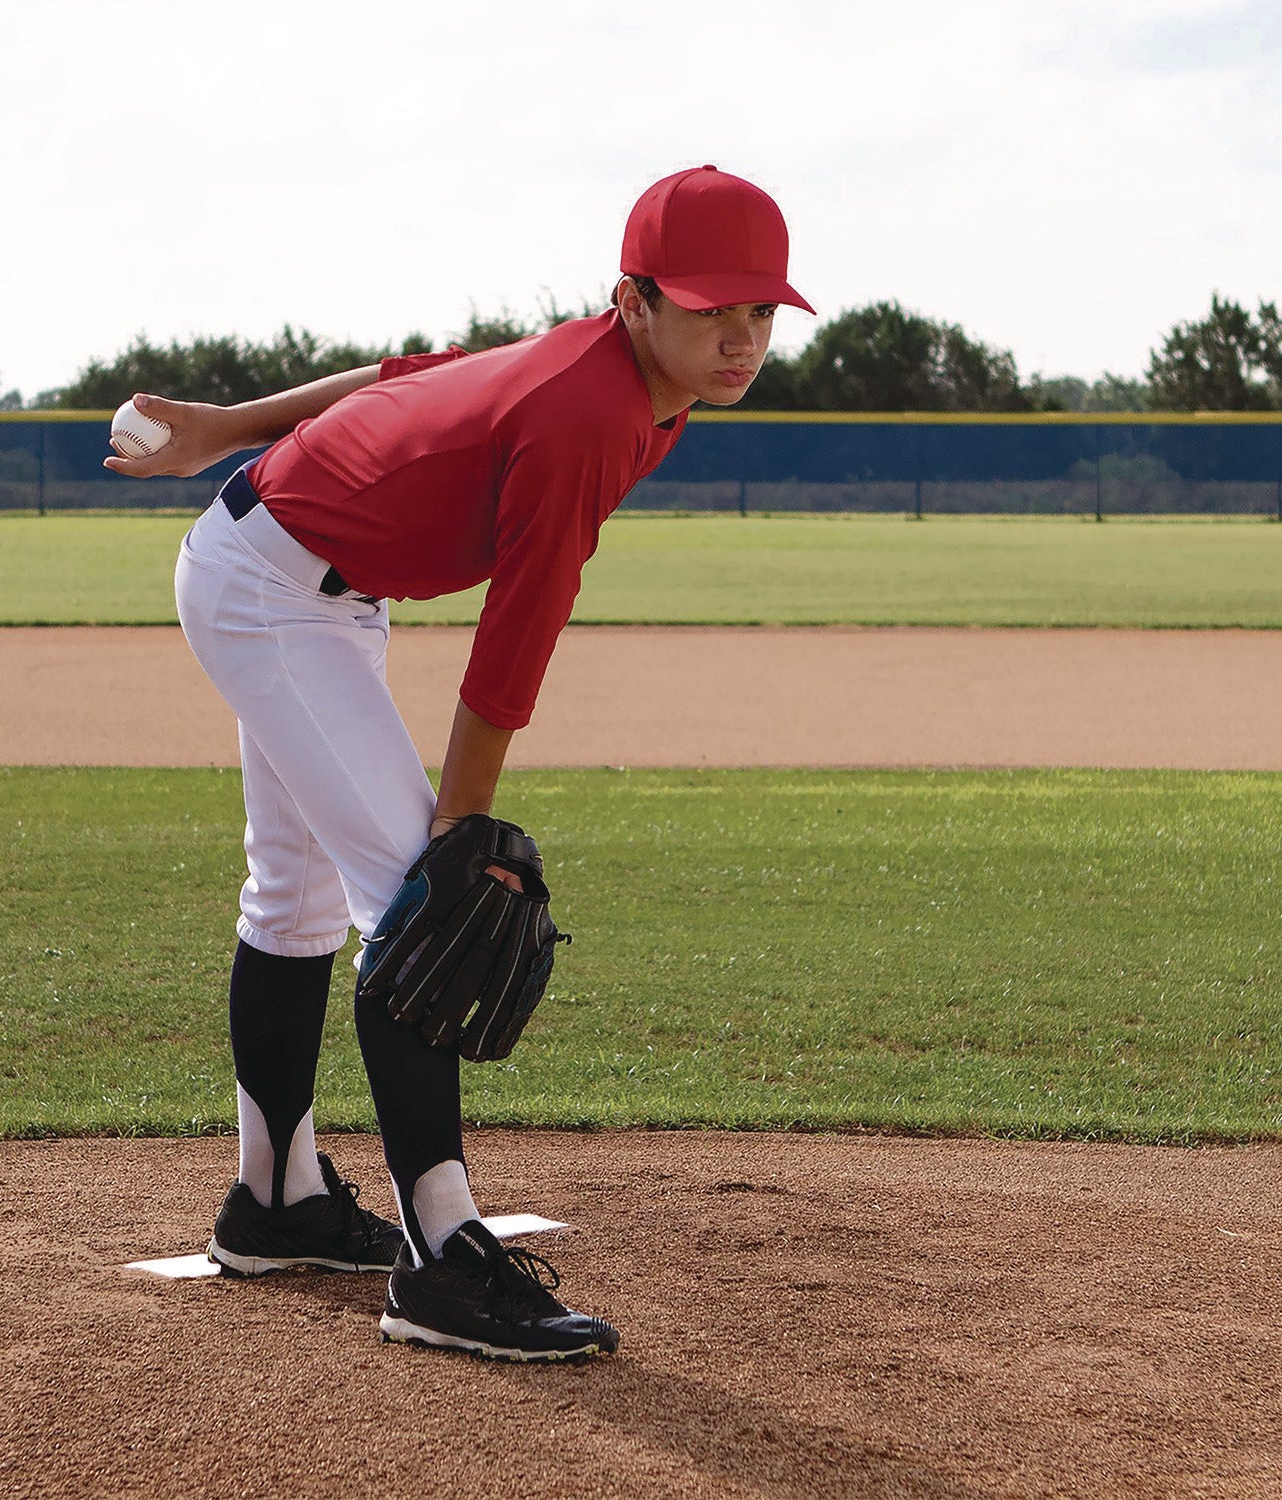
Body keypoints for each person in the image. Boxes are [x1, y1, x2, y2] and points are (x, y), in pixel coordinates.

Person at [107, 164, 813, 1362]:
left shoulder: (625, 374)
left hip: (298, 580)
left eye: (758, 314)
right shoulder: (594, 408)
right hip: (273, 595)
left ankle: (273, 1203)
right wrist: (457, 833)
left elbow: (404, 379)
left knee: (298, 898)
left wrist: (229, 428)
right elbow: (514, 641)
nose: (738, 337)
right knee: (417, 912)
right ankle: (442, 1257)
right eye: (708, 310)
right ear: (632, 300)